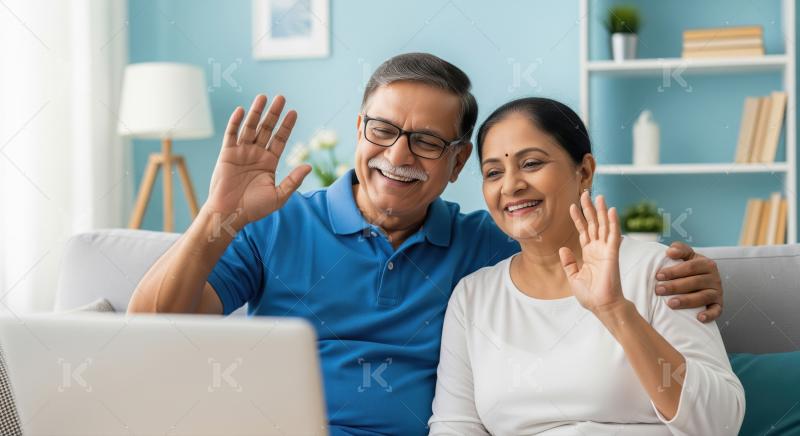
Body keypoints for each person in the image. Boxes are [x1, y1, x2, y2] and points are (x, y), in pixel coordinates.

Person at [128, 53, 726, 436]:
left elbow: (567, 249)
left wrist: (689, 272)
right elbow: (149, 328)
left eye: (425, 142)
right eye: (382, 130)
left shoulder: (484, 246)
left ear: (460, 162)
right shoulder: (275, 224)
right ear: (361, 129)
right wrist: (218, 218)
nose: (397, 155)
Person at [428, 97, 744, 436]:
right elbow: (455, 426)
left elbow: (720, 423)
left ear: (585, 171)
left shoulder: (660, 271)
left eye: (532, 163)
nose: (510, 185)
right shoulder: (473, 296)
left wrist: (616, 311)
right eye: (494, 172)